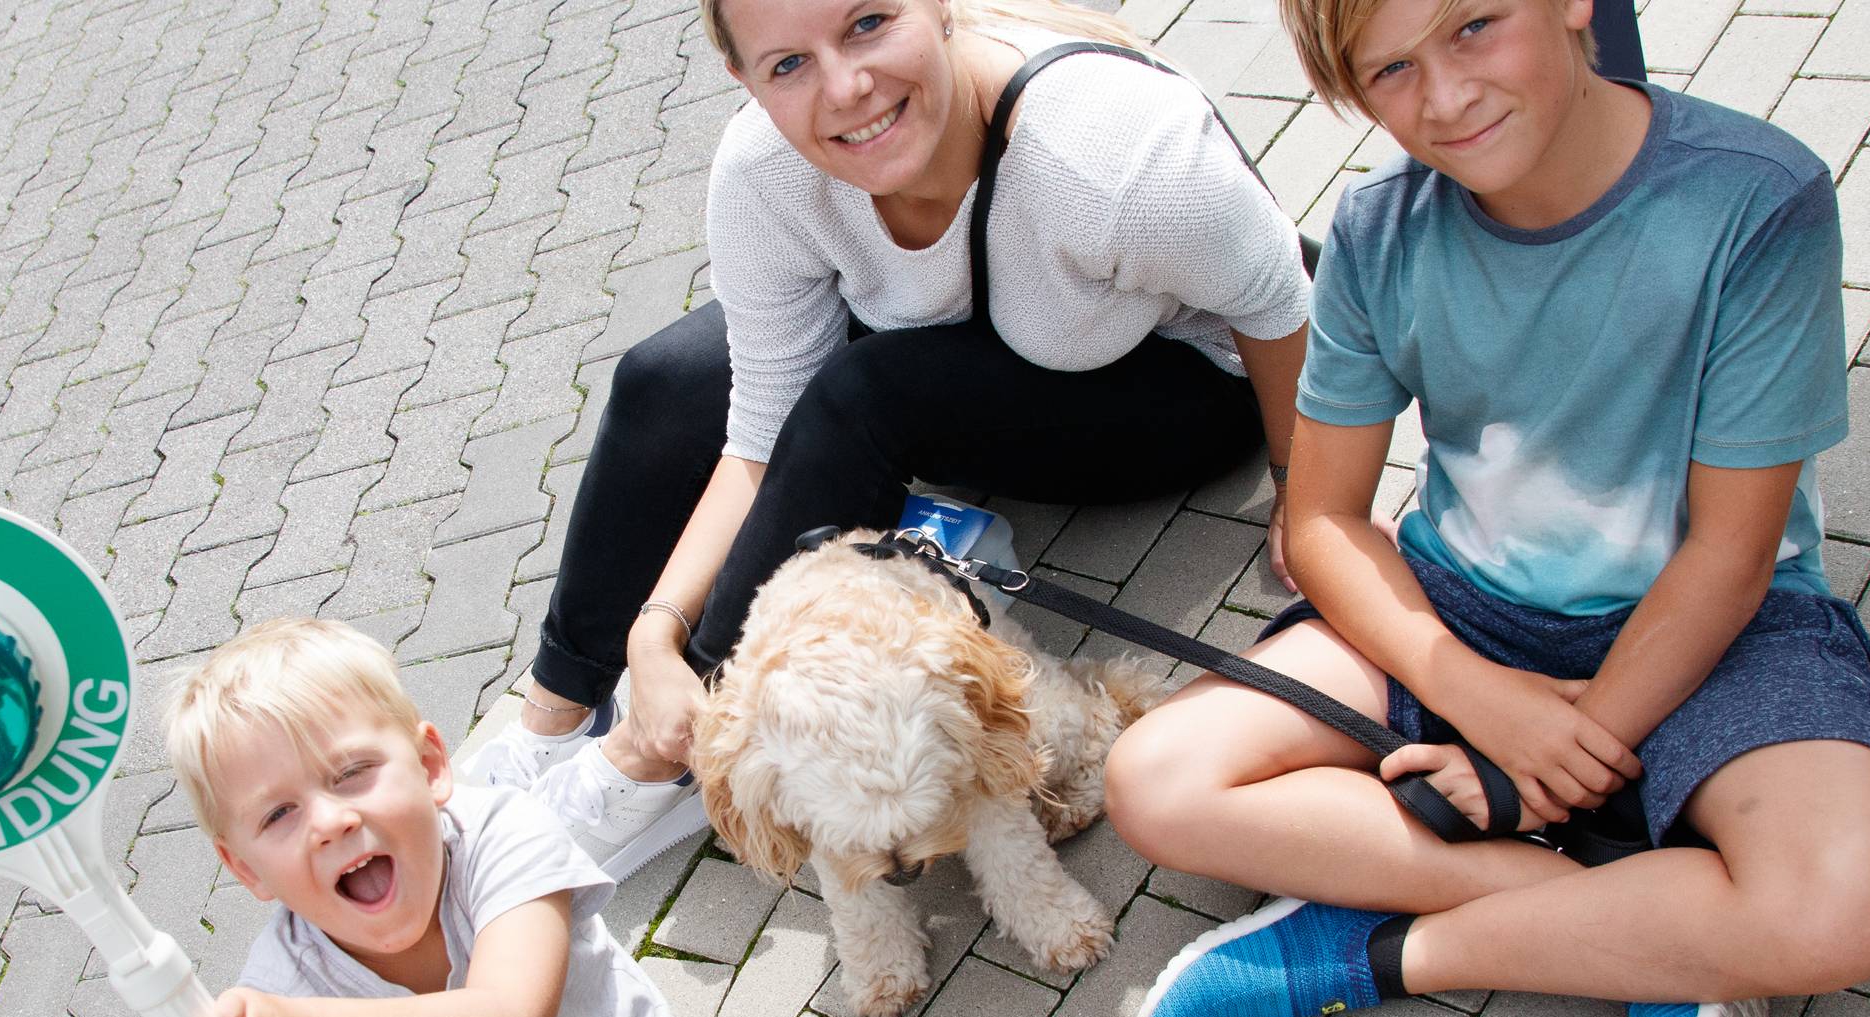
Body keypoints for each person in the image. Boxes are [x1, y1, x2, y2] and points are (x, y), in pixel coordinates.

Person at [1106, 0, 1870, 1017]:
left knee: (1861, 901)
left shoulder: (1757, 198)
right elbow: (1327, 519)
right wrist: (1478, 695)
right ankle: (1654, 937)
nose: (1442, 98)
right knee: (1157, 780)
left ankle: (1369, 951)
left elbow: (1729, 555)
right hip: (1466, 604)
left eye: (1476, 27)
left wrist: (1543, 757)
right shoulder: (1382, 230)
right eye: (1391, 68)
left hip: (1717, 628)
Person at [475, 0, 1316, 876]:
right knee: (670, 376)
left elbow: (1283, 302)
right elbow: (760, 424)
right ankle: (556, 712)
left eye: (868, 23)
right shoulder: (767, 170)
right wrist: (653, 636)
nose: (845, 87)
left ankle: (686, 750)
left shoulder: (1105, 153)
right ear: (744, 79)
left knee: (862, 394)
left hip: (1179, 382)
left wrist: (1306, 489)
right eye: (788, 65)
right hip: (981, 342)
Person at [155, 619, 930, 1017]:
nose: (328, 821)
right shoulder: (283, 988)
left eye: (352, 773)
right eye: (279, 815)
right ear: (244, 868)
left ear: (431, 767)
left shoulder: (503, 833)